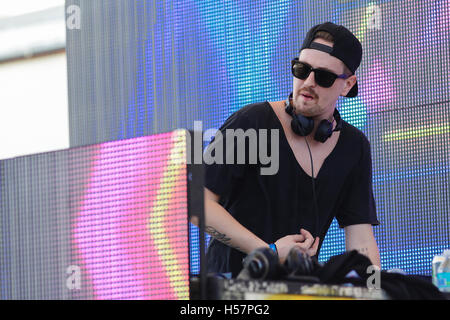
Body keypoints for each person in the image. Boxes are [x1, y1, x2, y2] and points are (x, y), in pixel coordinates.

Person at [201, 22, 381, 277]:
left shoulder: (354, 146)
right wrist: (268, 252)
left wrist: (375, 291)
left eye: (324, 76)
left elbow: (361, 239)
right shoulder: (251, 122)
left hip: (299, 289)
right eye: (301, 69)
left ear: (348, 85)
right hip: (231, 287)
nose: (308, 82)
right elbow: (198, 203)